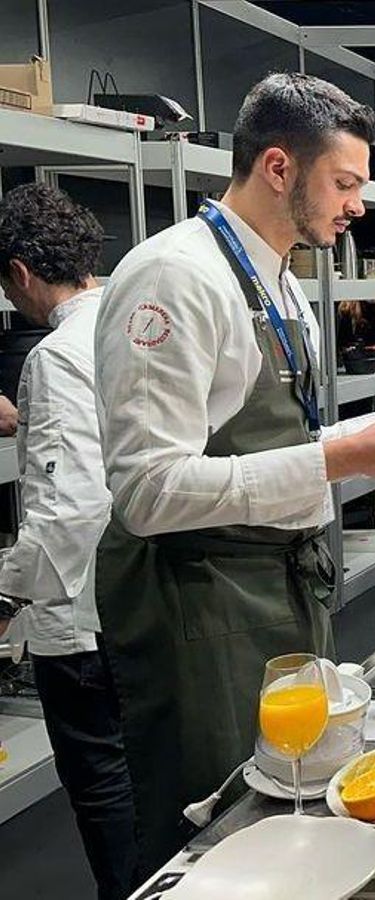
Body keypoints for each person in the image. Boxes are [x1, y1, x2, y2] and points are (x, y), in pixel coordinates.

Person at [94, 73, 375, 876]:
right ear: (278, 168)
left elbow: (288, 434)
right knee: (216, 823)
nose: (356, 207)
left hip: (278, 585)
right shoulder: (174, 277)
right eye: (343, 184)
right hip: (197, 602)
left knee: (289, 796)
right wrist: (338, 458)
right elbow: (146, 490)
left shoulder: (279, 278)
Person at [0, 184, 132, 900]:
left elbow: (65, 512)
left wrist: (4, 593)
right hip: (142, 602)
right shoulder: (130, 324)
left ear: (21, 272)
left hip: (80, 622)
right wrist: (32, 422)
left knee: (103, 787)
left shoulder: (54, 357)